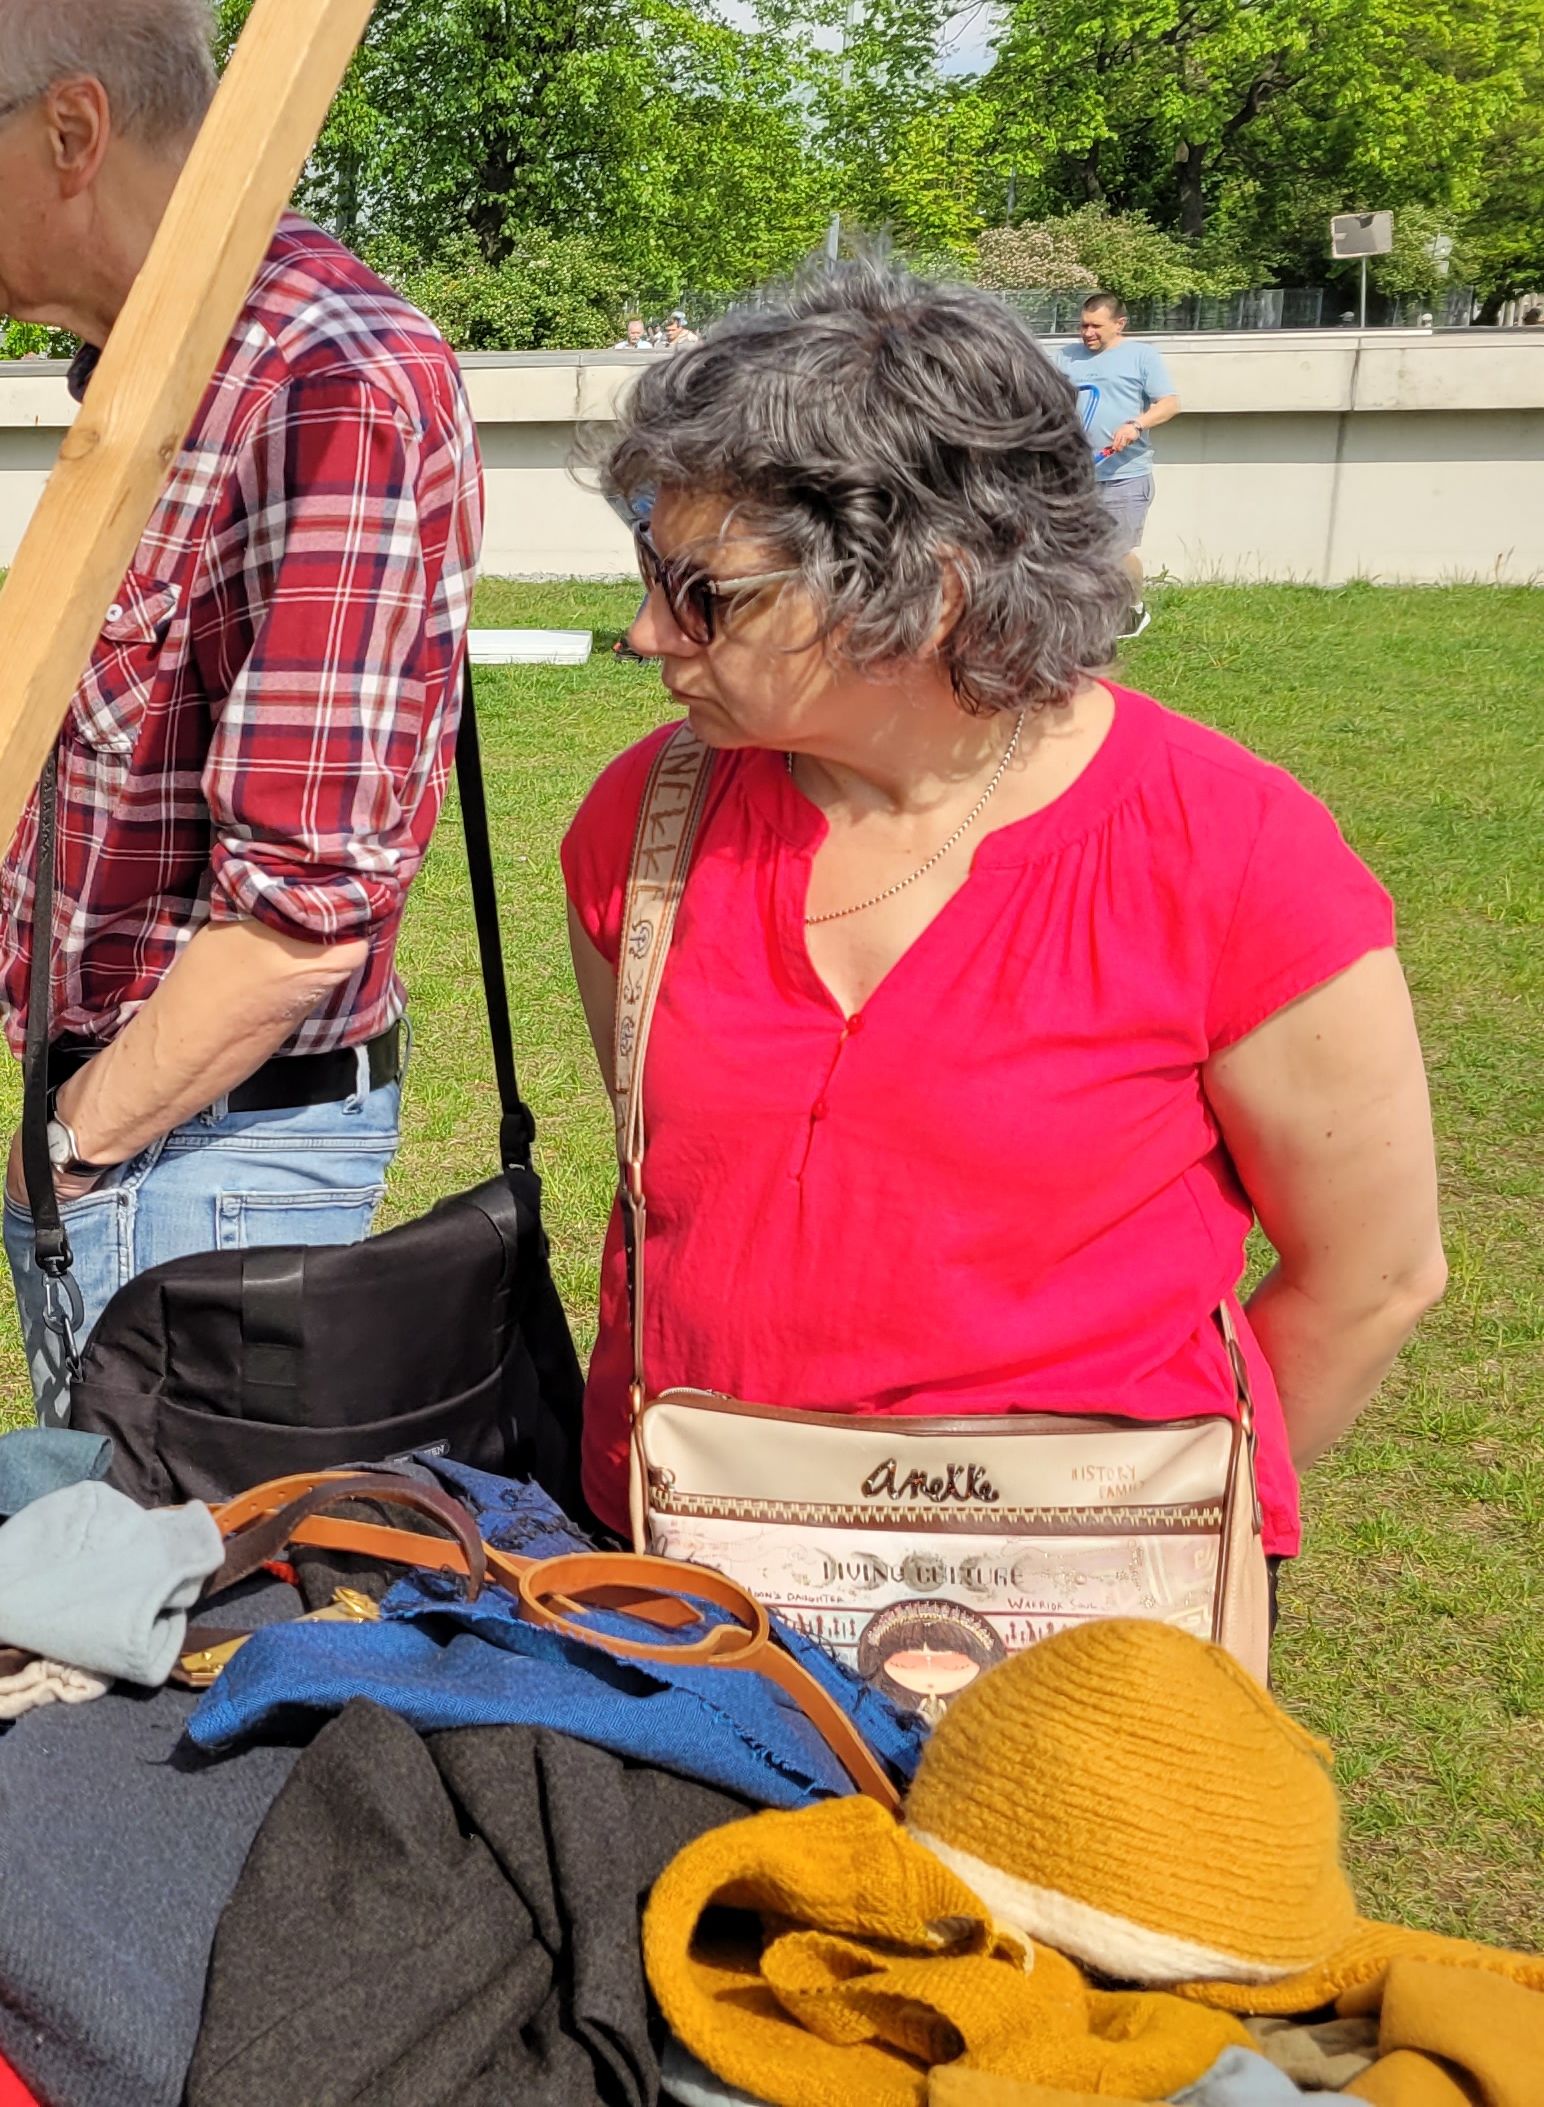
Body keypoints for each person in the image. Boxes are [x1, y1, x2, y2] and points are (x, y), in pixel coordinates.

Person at [562, 256, 1443, 1571]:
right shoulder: (643, 826)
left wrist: (1168, 1543)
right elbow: (684, 1194)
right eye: (650, 569)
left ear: (930, 592)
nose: (647, 634)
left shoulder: (1234, 853)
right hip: (690, 1584)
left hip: (1074, 1605)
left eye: (708, 595)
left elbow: (1372, 1277)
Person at [0, 0, 478, 1418]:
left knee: (156, 1573)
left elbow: (301, 918)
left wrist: (78, 1145)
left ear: (72, 132)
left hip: (204, 1152)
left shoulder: (325, 386)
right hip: (153, 1139)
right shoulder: (164, 366)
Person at [1055, 291, 1178, 565]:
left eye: (1096, 326)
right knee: (1074, 556)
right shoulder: (1065, 357)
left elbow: (1169, 403)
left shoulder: (1141, 356)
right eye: (1083, 325)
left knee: (1115, 556)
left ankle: (1131, 594)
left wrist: (1136, 425)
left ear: (1119, 324)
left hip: (1124, 478)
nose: (1087, 333)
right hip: (1076, 477)